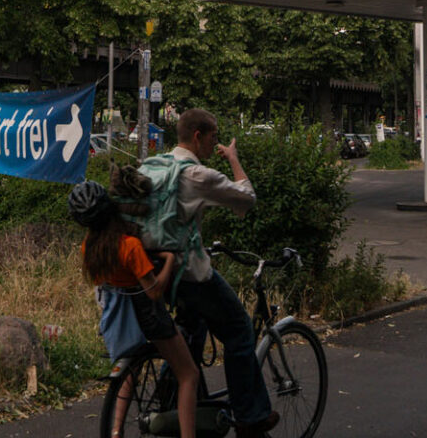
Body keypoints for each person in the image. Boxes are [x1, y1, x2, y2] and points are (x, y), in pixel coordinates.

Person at [165, 109, 277, 438]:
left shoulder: (157, 165)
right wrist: (233, 159)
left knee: (188, 340)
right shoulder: (198, 174)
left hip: (159, 271)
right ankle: (249, 417)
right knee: (240, 330)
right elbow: (247, 198)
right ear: (198, 136)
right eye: (213, 137)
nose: (215, 143)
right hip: (190, 273)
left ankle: (176, 406)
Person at [71, 176, 198, 438]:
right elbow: (154, 290)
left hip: (118, 315)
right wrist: (171, 259)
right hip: (147, 314)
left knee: (130, 371)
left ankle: (116, 431)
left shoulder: (89, 248)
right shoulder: (130, 246)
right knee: (189, 375)